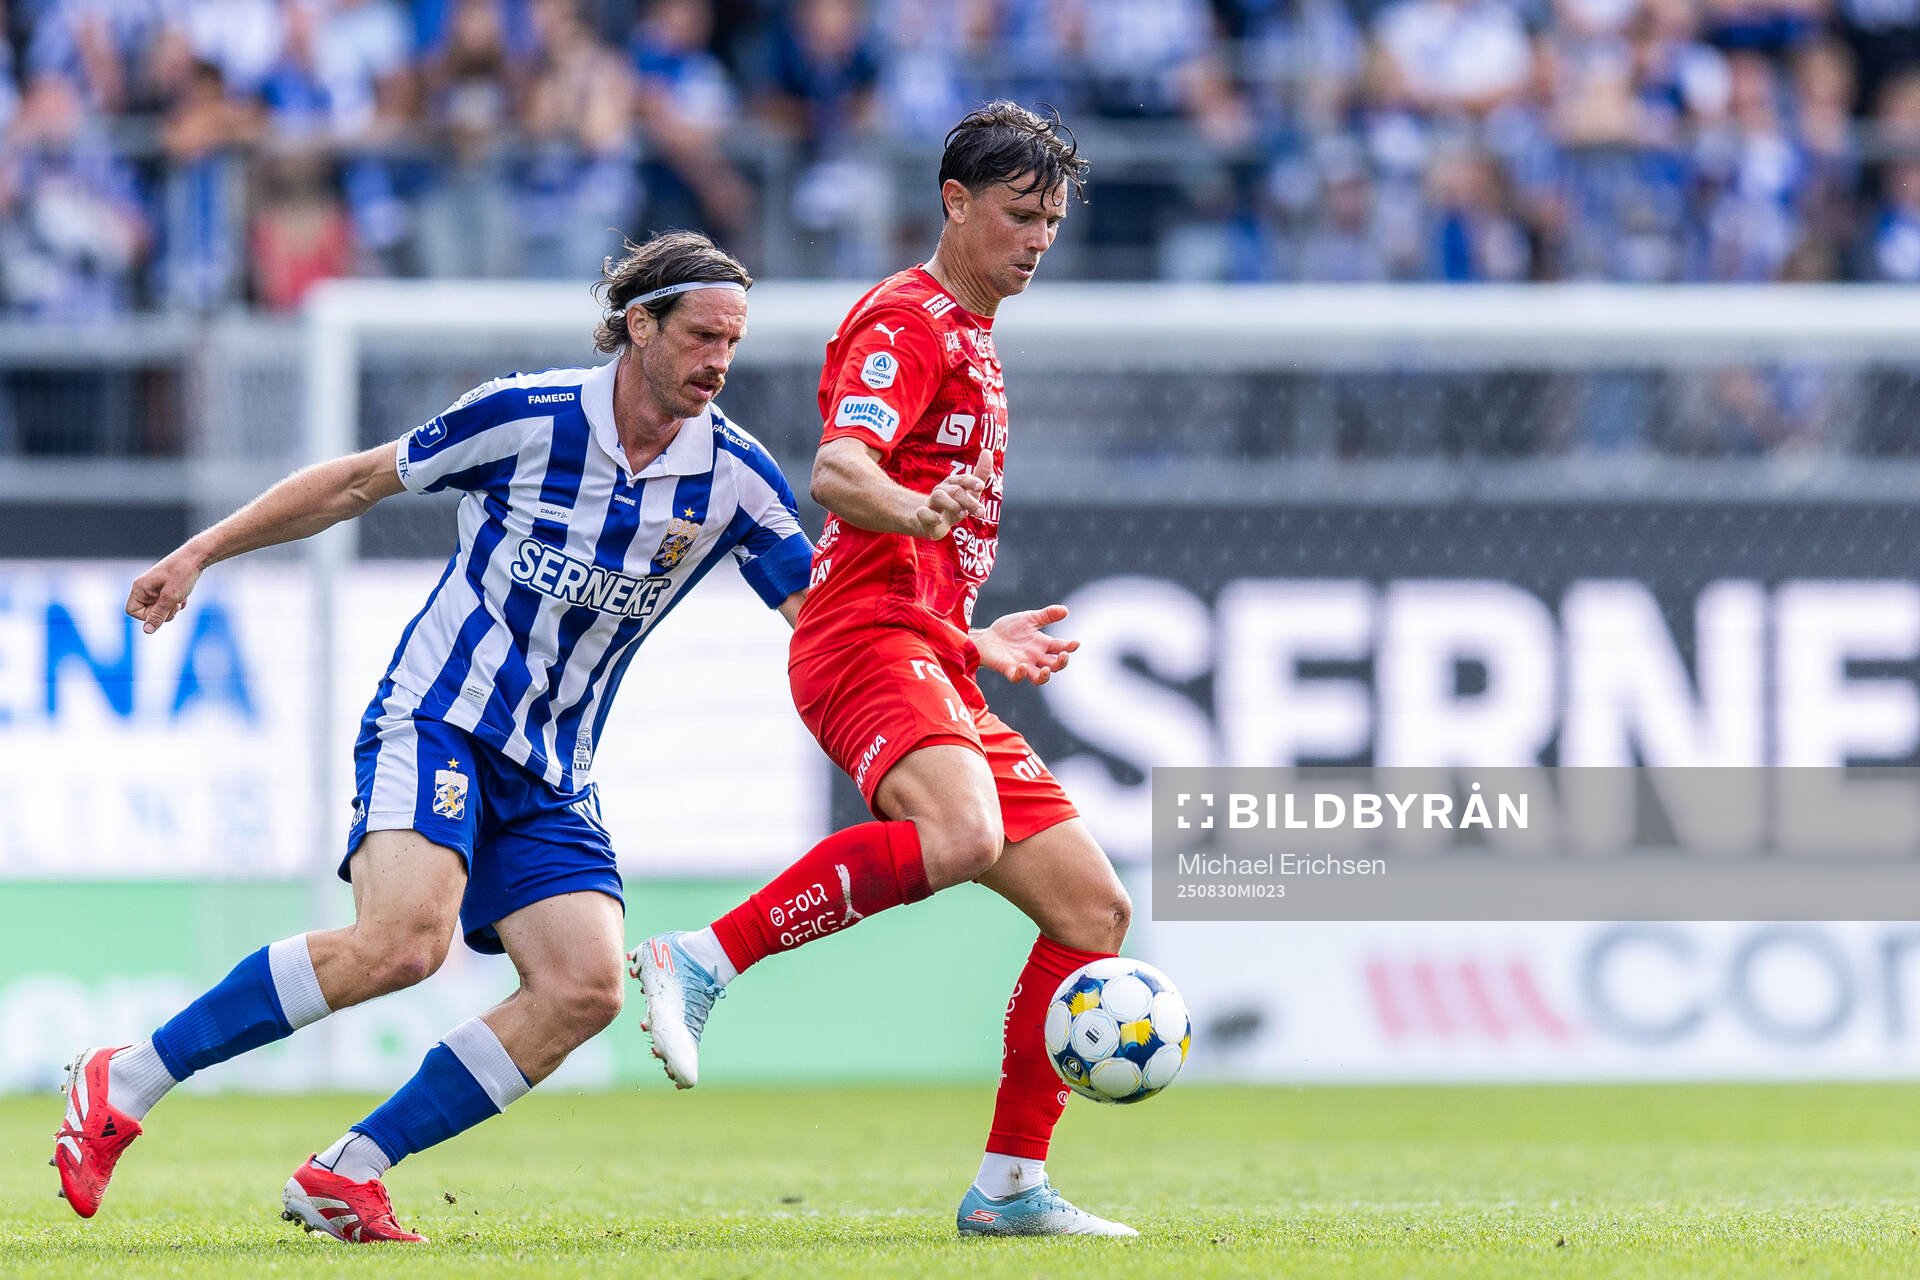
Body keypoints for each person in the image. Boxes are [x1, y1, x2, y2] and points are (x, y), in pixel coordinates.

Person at [52, 230, 817, 1244]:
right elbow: (356, 481)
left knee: (584, 986)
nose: (721, 360)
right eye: (704, 335)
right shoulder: (528, 415)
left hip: (554, 768)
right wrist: (201, 551)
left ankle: (347, 1171)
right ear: (641, 325)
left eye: (735, 341)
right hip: (441, 715)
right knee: (404, 942)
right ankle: (127, 1076)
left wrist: (956, 647)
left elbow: (825, 614)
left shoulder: (737, 479)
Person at [633, 102, 1140, 1237]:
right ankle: (704, 956)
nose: (1036, 239)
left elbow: (914, 547)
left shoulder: (974, 334)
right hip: (860, 641)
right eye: (1018, 214)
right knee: (958, 834)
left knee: (1092, 908)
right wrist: (915, 509)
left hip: (926, 646)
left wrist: (975, 637)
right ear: (954, 202)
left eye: (1051, 220)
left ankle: (1010, 1185)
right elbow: (838, 468)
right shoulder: (906, 321)